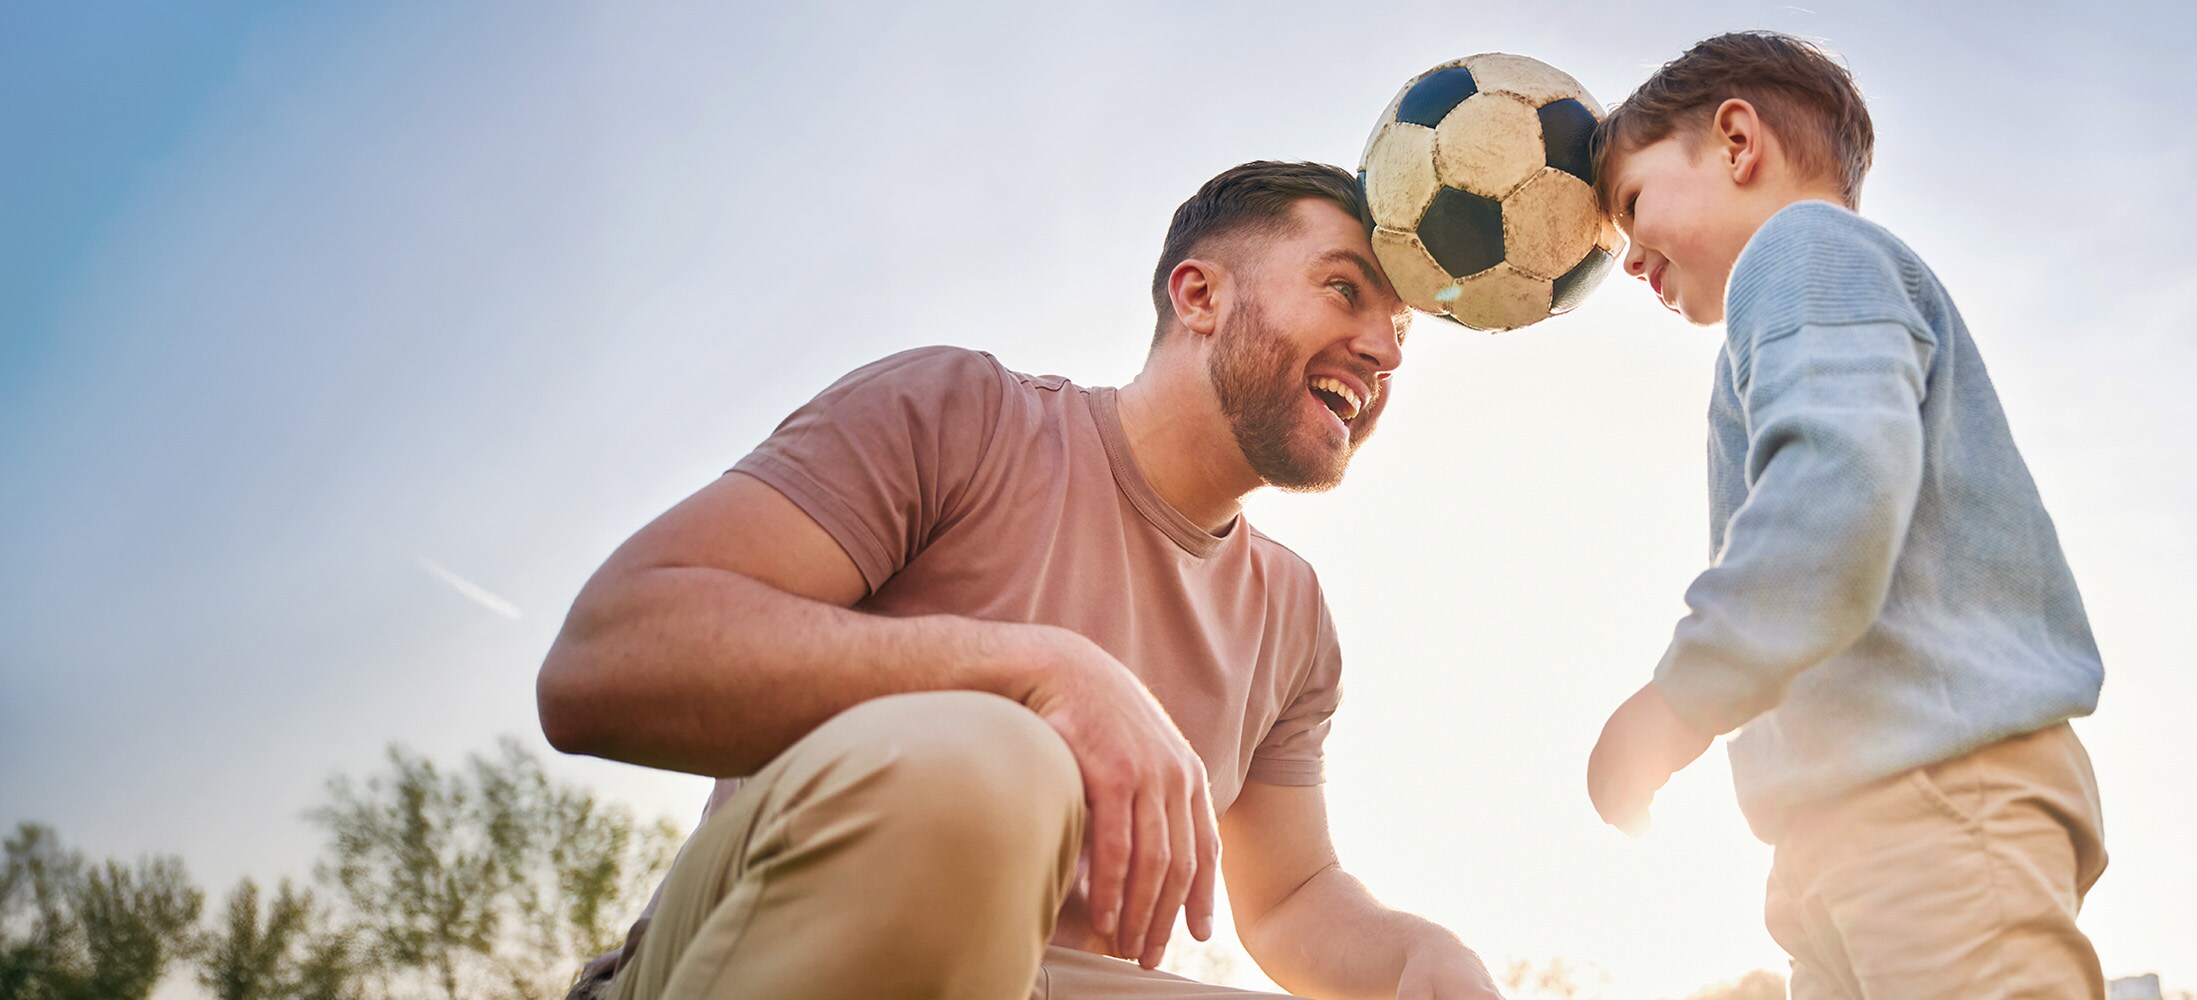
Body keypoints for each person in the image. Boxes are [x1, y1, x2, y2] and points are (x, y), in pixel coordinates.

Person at [536, 160, 1506, 1000]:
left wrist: (1418, 955)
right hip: (739, 956)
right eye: (1345, 289)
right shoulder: (960, 416)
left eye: (1400, 332)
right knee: (992, 757)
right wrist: (1032, 672)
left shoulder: (1293, 617)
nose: (1382, 348)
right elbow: (602, 659)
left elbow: (1291, 895)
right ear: (1198, 295)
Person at [1578, 31, 2110, 999]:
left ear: (1737, 142)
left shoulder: (1806, 250)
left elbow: (1838, 490)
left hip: (1937, 793)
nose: (1627, 260)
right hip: (1841, 826)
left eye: (1632, 205)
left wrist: (1678, 702)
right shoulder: (1789, 296)